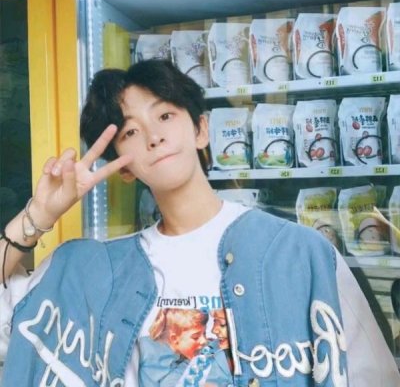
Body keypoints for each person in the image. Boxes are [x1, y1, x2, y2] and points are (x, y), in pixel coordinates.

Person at [0, 59, 399, 387]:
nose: (153, 137)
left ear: (201, 130)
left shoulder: (300, 253)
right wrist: (39, 215)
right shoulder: (91, 272)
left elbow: (374, 377)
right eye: (131, 131)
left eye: (165, 115)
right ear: (123, 167)